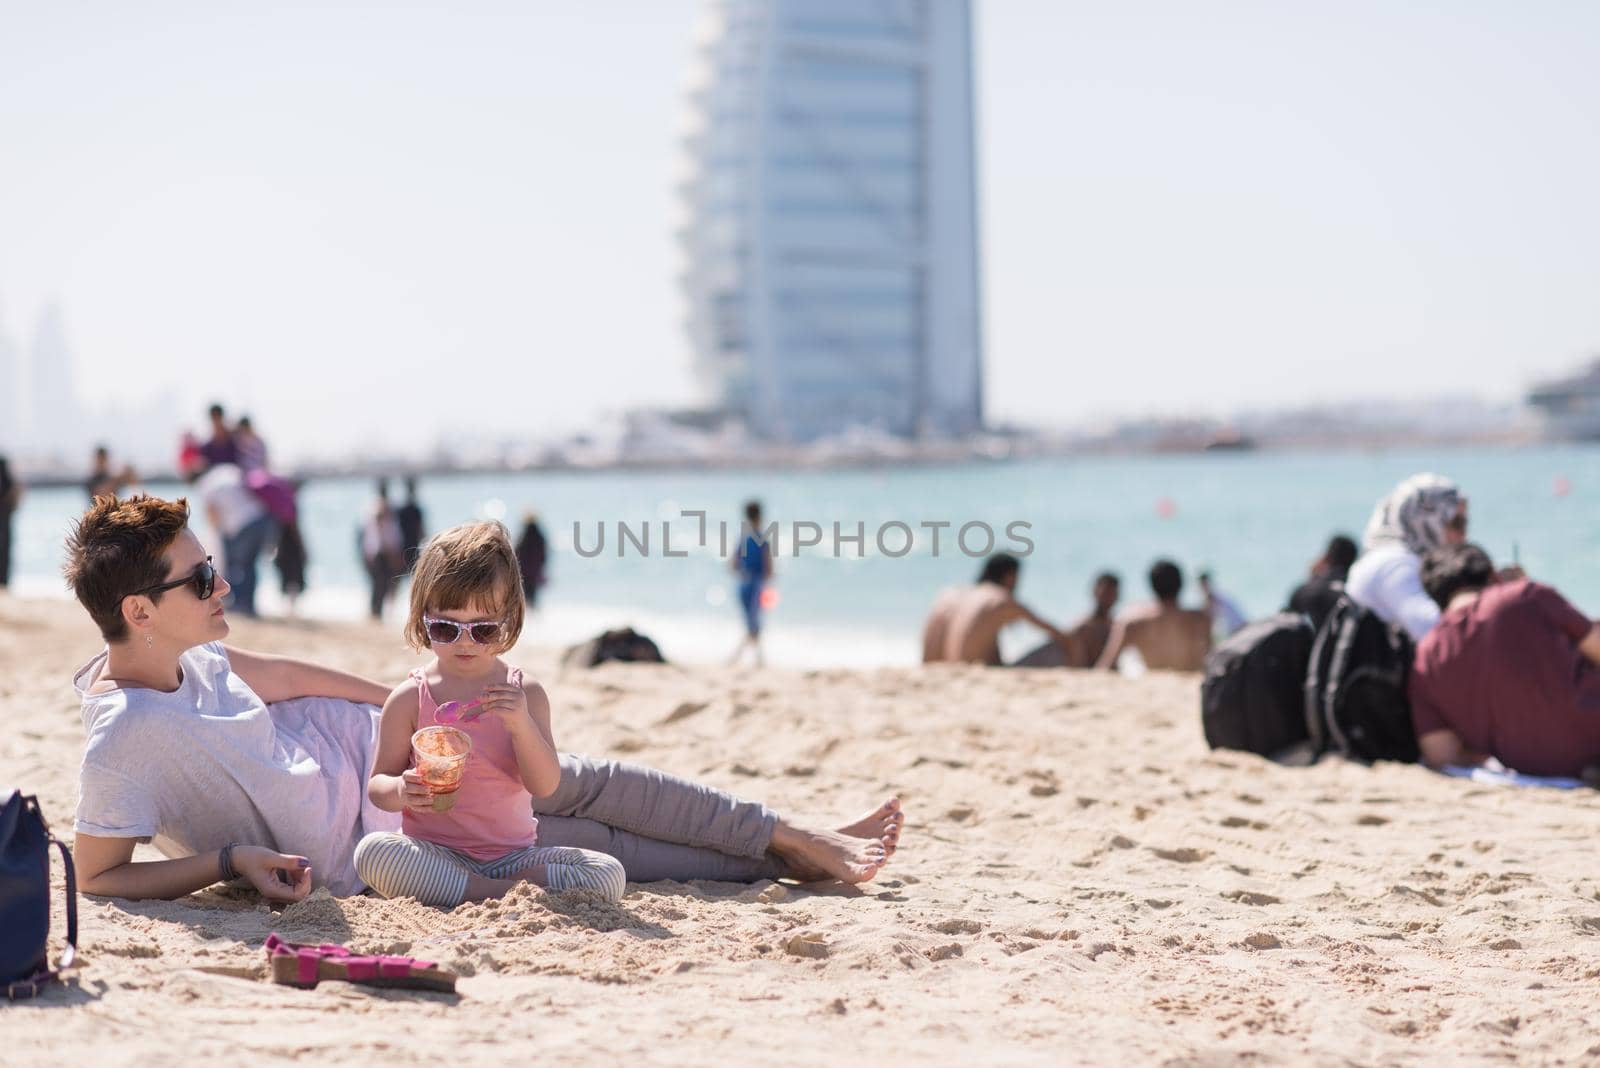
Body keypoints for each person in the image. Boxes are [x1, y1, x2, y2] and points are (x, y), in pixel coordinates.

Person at [64, 496, 901, 902]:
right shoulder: (125, 734)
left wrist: (408, 698)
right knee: (599, 837)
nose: (225, 582)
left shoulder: (192, 656)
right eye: (204, 576)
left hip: (402, 750)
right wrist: (228, 864)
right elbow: (97, 878)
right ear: (138, 611)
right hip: (394, 827)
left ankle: (792, 834)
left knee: (587, 782)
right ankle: (784, 855)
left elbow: (283, 677)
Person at [356, 522, 627, 906]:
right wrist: (402, 788)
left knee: (608, 874)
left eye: (482, 630)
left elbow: (545, 785)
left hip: (514, 858)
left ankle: (480, 889)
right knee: (373, 852)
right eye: (446, 628)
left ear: (509, 620)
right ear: (422, 619)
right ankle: (496, 894)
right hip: (437, 855)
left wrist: (521, 726)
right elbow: (377, 786)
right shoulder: (409, 699)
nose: (465, 642)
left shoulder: (525, 693)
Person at [1409, 542, 1600, 778]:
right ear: (1491, 573)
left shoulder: (1426, 655)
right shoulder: (1526, 595)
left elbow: (1441, 755)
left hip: (1535, 766)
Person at [1344, 474, 1466, 641]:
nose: (1463, 535)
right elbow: (1436, 632)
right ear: (1427, 521)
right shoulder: (1395, 563)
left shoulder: (1401, 557)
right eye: (1458, 523)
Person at [922, 553, 1069, 666]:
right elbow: (1055, 632)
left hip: (943, 665)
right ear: (1009, 577)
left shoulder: (957, 595)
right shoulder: (999, 599)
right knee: (1057, 648)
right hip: (974, 667)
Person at [1096, 559, 1212, 672]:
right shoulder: (1201, 619)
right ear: (1181, 584)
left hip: (1153, 676)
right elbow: (1211, 659)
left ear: (1152, 586)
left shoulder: (1133, 622)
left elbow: (1106, 666)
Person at [196, 463, 275, 617]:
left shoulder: (205, 485)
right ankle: (248, 605)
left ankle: (239, 604)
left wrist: (216, 535)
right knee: (250, 565)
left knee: (236, 566)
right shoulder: (227, 470)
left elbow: (212, 515)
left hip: (242, 525)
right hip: (263, 517)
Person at [1013, 571, 1119, 668]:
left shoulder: (1115, 627)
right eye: (1105, 592)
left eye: (1111, 593)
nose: (1107, 597)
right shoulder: (1082, 627)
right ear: (1095, 591)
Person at [729, 500, 773, 666]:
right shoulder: (762, 540)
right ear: (760, 517)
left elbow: (733, 565)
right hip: (757, 585)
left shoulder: (743, 539)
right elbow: (769, 569)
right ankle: (751, 659)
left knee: (751, 624)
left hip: (743, 584)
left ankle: (752, 658)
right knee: (753, 624)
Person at [1285, 534, 1358, 631]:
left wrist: (1313, 578)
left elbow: (1287, 621)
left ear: (1327, 557)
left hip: (1317, 643)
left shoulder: (1309, 589)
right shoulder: (1358, 590)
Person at [361, 480, 405, 621]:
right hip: (383, 552)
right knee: (381, 584)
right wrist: (389, 549)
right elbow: (381, 530)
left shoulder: (373, 506)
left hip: (378, 551)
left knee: (380, 584)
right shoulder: (381, 506)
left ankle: (376, 614)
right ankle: (376, 614)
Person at [274, 518, 308, 616]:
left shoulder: (279, 515)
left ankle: (290, 608)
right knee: (292, 580)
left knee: (289, 581)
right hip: (289, 549)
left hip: (283, 549)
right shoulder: (288, 516)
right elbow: (295, 527)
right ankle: (290, 608)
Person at [1199, 571, 1247, 637]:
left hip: (1237, 630)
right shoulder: (1217, 596)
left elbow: (1211, 621)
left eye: (1203, 584)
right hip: (1237, 628)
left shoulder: (1213, 598)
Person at [515, 512, 548, 607]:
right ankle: (533, 617)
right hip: (534, 572)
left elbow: (517, 554)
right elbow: (543, 557)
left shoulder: (523, 537)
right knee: (532, 598)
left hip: (523, 572)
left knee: (523, 599)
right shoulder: (540, 537)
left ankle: (528, 618)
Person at [396, 477, 425, 571]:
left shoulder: (400, 509)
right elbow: (421, 530)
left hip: (402, 547)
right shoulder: (416, 509)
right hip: (414, 546)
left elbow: (396, 529)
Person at [198, 403, 238, 469]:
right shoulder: (207, 447)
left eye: (218, 417)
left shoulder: (235, 442)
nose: (217, 421)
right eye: (214, 418)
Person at [0, 456, 20, 589]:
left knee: (5, 550)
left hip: (4, 516)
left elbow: (16, 489)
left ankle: (4, 582)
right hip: (5, 515)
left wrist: (12, 506)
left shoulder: (2, 465)